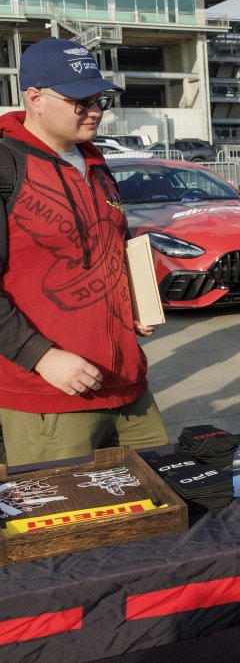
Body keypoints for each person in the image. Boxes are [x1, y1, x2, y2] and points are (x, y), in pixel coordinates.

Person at [0, 38, 168, 467]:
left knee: (163, 497)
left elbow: (112, 248)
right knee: (72, 509)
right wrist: (41, 357)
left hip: (128, 384)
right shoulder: (6, 167)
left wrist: (134, 301)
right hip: (51, 394)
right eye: (80, 101)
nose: (94, 111)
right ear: (35, 98)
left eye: (100, 100)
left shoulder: (96, 163)